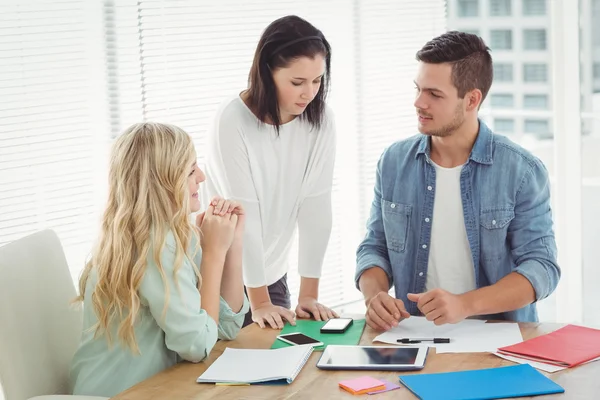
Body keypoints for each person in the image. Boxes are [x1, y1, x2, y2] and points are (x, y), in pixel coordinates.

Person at [355, 31, 560, 331]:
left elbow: (541, 268)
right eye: (418, 89)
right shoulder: (393, 162)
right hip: (413, 336)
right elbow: (375, 247)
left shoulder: (522, 171)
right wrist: (375, 296)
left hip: (498, 341)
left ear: (472, 99)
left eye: (434, 95)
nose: (418, 103)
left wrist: (465, 304)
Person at [70, 122, 249, 397]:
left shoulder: (175, 235)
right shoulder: (154, 246)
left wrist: (231, 244)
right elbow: (198, 344)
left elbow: (225, 326)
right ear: (161, 184)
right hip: (120, 394)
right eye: (190, 170)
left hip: (154, 388)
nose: (201, 176)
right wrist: (213, 254)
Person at [204, 15, 339, 329]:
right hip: (223, 274)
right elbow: (243, 214)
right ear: (267, 72)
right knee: (227, 373)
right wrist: (260, 302)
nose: (310, 93)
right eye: (297, 82)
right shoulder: (232, 120)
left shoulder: (321, 120)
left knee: (281, 368)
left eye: (317, 80)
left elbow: (316, 207)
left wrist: (309, 294)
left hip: (271, 273)